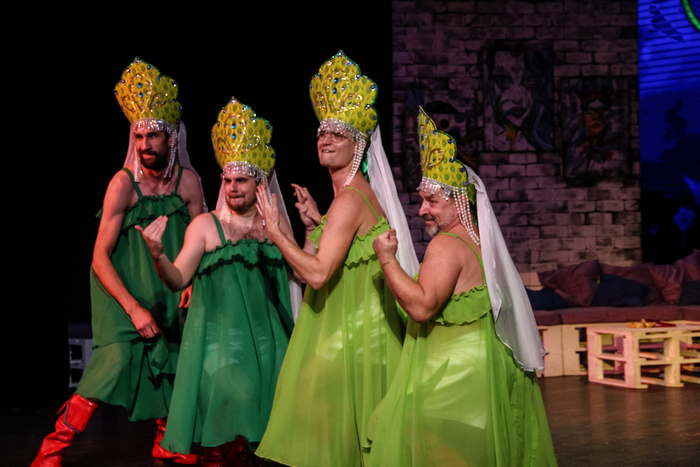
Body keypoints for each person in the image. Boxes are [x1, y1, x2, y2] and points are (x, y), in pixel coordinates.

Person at [31, 57, 205, 467]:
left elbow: (202, 240)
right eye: (138, 136)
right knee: (113, 365)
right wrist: (133, 308)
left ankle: (167, 442)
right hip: (122, 291)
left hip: (168, 285)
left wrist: (194, 284)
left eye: (153, 135)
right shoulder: (123, 185)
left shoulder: (190, 183)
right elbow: (99, 257)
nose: (144, 145)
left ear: (171, 137)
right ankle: (51, 450)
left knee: (174, 361)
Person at [366, 107, 558, 466]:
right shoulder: (481, 243)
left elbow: (422, 307)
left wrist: (387, 259)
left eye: (432, 201)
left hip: (456, 373)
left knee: (403, 433)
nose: (422, 210)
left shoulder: (445, 245)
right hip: (486, 366)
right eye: (422, 200)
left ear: (458, 201)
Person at [254, 51, 419, 467]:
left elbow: (317, 274)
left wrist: (276, 233)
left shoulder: (348, 200)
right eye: (321, 132)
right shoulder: (350, 198)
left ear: (359, 144)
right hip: (358, 335)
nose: (324, 140)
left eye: (337, 134)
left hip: (356, 340)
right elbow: (323, 263)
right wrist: (314, 226)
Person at [138, 97, 297, 466]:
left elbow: (302, 273)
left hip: (269, 345)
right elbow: (178, 279)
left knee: (263, 439)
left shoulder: (274, 227)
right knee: (224, 426)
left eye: (241, 180)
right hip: (220, 346)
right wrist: (158, 254)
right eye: (227, 180)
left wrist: (309, 232)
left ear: (259, 183)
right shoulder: (205, 227)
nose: (231, 187)